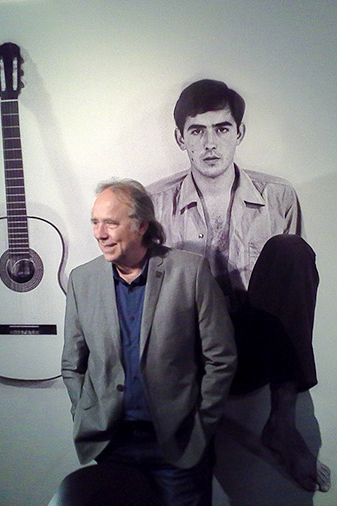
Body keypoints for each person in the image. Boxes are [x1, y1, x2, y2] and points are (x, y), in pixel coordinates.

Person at [147, 79, 331, 493]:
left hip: (259, 344)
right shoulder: (154, 203)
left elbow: (295, 294)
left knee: (290, 250)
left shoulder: (278, 196)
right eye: (198, 131)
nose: (211, 143)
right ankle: (189, 428)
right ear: (181, 138)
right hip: (193, 350)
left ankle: (282, 422)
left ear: (239, 133)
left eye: (222, 129)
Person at [62, 179, 237, 506]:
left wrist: (201, 427)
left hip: (177, 447)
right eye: (95, 222)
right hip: (111, 446)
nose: (100, 233)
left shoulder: (190, 272)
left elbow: (222, 359)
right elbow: (72, 364)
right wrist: (86, 412)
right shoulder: (82, 280)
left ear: (141, 226)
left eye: (110, 223)